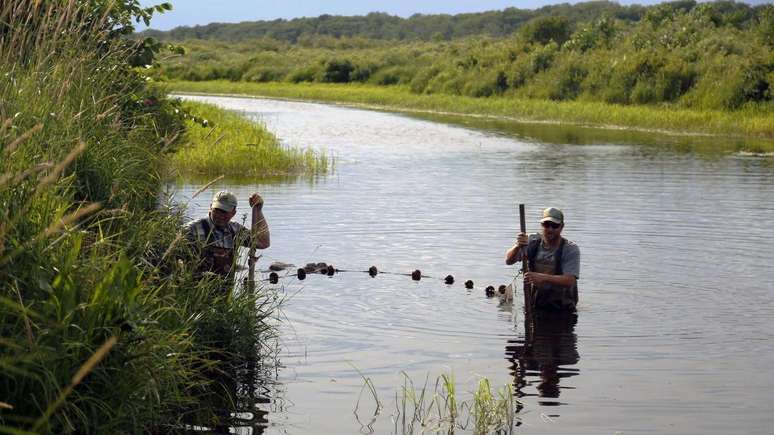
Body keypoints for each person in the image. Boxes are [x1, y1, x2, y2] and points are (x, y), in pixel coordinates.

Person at [505, 207, 580, 311]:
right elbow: (508, 261)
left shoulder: (570, 249)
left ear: (562, 227)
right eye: (546, 225)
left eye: (554, 225)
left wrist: (543, 278)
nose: (550, 229)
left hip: (563, 308)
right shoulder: (531, 241)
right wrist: (518, 246)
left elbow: (570, 280)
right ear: (542, 225)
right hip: (536, 304)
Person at [185, 190, 270, 281]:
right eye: (217, 210)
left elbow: (262, 242)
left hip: (226, 293)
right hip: (196, 292)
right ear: (210, 207)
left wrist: (258, 210)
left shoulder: (234, 230)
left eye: (224, 212)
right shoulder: (192, 229)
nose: (220, 215)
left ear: (233, 213)